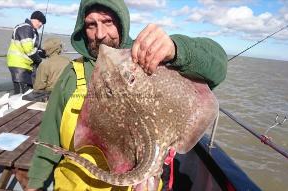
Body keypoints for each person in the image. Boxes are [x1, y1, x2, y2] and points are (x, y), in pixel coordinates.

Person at [27, 0, 227, 190]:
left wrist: (176, 48)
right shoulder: (71, 74)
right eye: (91, 25)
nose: (100, 34)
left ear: (122, 22)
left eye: (108, 22)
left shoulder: (155, 60)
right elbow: (50, 136)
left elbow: (218, 66)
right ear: (82, 28)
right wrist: (35, 184)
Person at [7, 10, 46, 94]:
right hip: (19, 65)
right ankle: (18, 106)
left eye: (42, 23)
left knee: (26, 91)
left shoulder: (32, 30)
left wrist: (45, 53)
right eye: (39, 21)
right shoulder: (25, 27)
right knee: (22, 94)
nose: (40, 25)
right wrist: (40, 61)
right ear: (33, 19)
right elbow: (29, 50)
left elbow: (35, 49)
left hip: (25, 65)